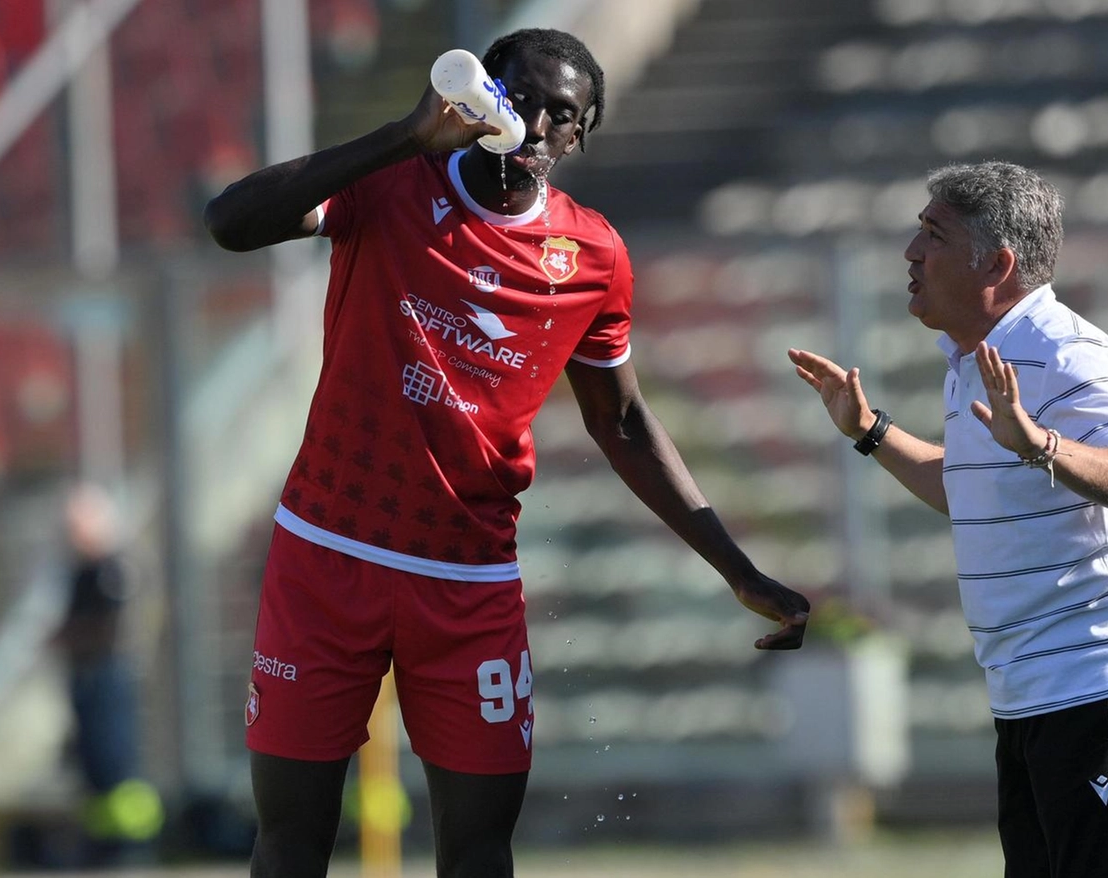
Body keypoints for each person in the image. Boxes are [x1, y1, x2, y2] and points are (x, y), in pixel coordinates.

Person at [202, 27, 810, 878]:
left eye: (563, 115)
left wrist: (736, 568)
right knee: (292, 842)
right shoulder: (391, 183)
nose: (536, 124)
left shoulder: (593, 256)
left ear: (580, 136)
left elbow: (623, 422)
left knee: (480, 851)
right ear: (483, 95)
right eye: (519, 98)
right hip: (326, 556)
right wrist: (408, 133)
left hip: (468, 584)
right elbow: (228, 222)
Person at [789, 161, 1108, 878]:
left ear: (999, 264)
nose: (911, 255)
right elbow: (967, 488)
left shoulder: (1072, 354)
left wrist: (1040, 444)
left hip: (1101, 678)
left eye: (933, 236)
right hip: (1031, 691)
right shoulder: (972, 359)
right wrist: (870, 429)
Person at [51, 483, 164, 865]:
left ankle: (130, 846)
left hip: (107, 675)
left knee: (115, 759)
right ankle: (100, 844)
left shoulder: (113, 571)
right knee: (93, 761)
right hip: (88, 676)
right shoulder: (82, 572)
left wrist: (69, 637)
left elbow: (109, 627)